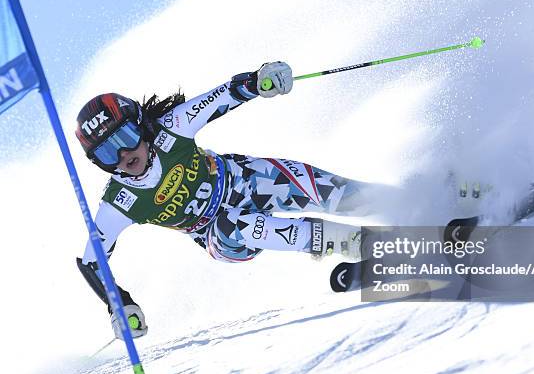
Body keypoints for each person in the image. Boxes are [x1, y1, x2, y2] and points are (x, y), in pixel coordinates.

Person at [76, 62, 386, 340]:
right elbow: (92, 263)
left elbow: (224, 96)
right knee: (235, 224)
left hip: (246, 180)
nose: (123, 155)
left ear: (141, 126)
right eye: (107, 153)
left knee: (343, 195)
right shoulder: (119, 203)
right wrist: (119, 304)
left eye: (125, 138)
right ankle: (361, 243)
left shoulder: (172, 127)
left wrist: (261, 81)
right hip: (218, 235)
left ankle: (408, 203)